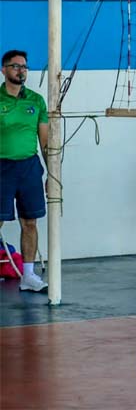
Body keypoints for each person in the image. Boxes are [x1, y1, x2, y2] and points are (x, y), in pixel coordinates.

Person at [0, 50, 48, 292]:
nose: (21, 70)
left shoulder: (37, 100)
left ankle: (28, 276)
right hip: (2, 167)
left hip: (29, 167)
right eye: (15, 66)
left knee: (30, 221)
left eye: (24, 66)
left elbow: (45, 142)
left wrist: (53, 175)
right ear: (4, 70)